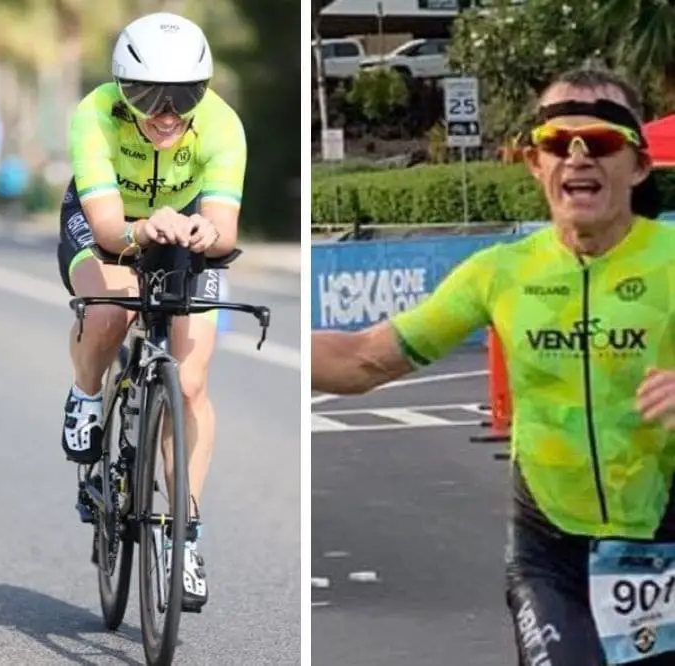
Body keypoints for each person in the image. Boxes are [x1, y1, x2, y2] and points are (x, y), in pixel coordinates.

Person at [313, 65, 675, 665]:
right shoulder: (500, 272)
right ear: (536, 164)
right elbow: (362, 360)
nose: (578, 158)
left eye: (602, 142)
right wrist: (263, 347)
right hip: (551, 557)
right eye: (558, 143)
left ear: (638, 166)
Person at [57, 11, 247, 612]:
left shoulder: (222, 125)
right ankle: (88, 391)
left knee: (190, 384)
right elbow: (111, 230)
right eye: (148, 98)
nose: (166, 115)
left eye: (183, 97)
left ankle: (184, 533)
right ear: (122, 89)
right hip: (108, 223)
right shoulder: (93, 115)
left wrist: (195, 230)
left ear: (204, 91)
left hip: (188, 232)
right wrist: (144, 229)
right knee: (112, 309)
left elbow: (224, 231)